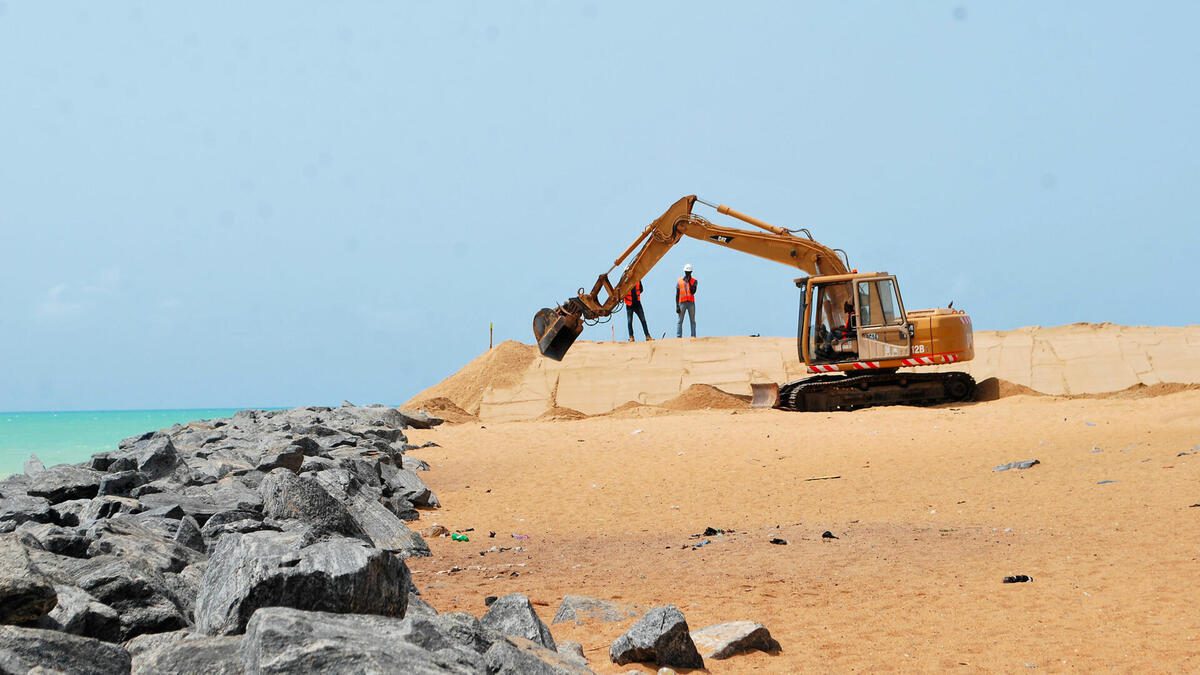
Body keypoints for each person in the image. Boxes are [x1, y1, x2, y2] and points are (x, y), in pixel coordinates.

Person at [675, 263, 698, 338]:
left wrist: (689, 282)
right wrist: (677, 306)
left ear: (691, 272)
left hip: (691, 303)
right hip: (682, 303)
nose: (687, 273)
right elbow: (677, 294)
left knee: (692, 321)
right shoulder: (679, 281)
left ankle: (693, 336)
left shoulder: (694, 281)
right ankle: (679, 337)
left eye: (689, 272)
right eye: (686, 272)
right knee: (679, 321)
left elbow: (693, 292)